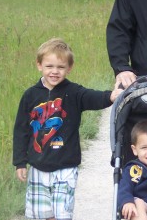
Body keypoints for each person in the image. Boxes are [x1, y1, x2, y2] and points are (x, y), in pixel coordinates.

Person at [13, 38, 123, 220]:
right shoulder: (30, 95)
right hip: (37, 166)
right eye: (49, 66)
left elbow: (92, 97)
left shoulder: (73, 92)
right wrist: (19, 162)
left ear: (69, 68)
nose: (54, 72)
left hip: (66, 166)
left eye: (60, 67)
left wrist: (111, 96)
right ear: (39, 65)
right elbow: (21, 130)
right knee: (41, 214)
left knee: (62, 214)